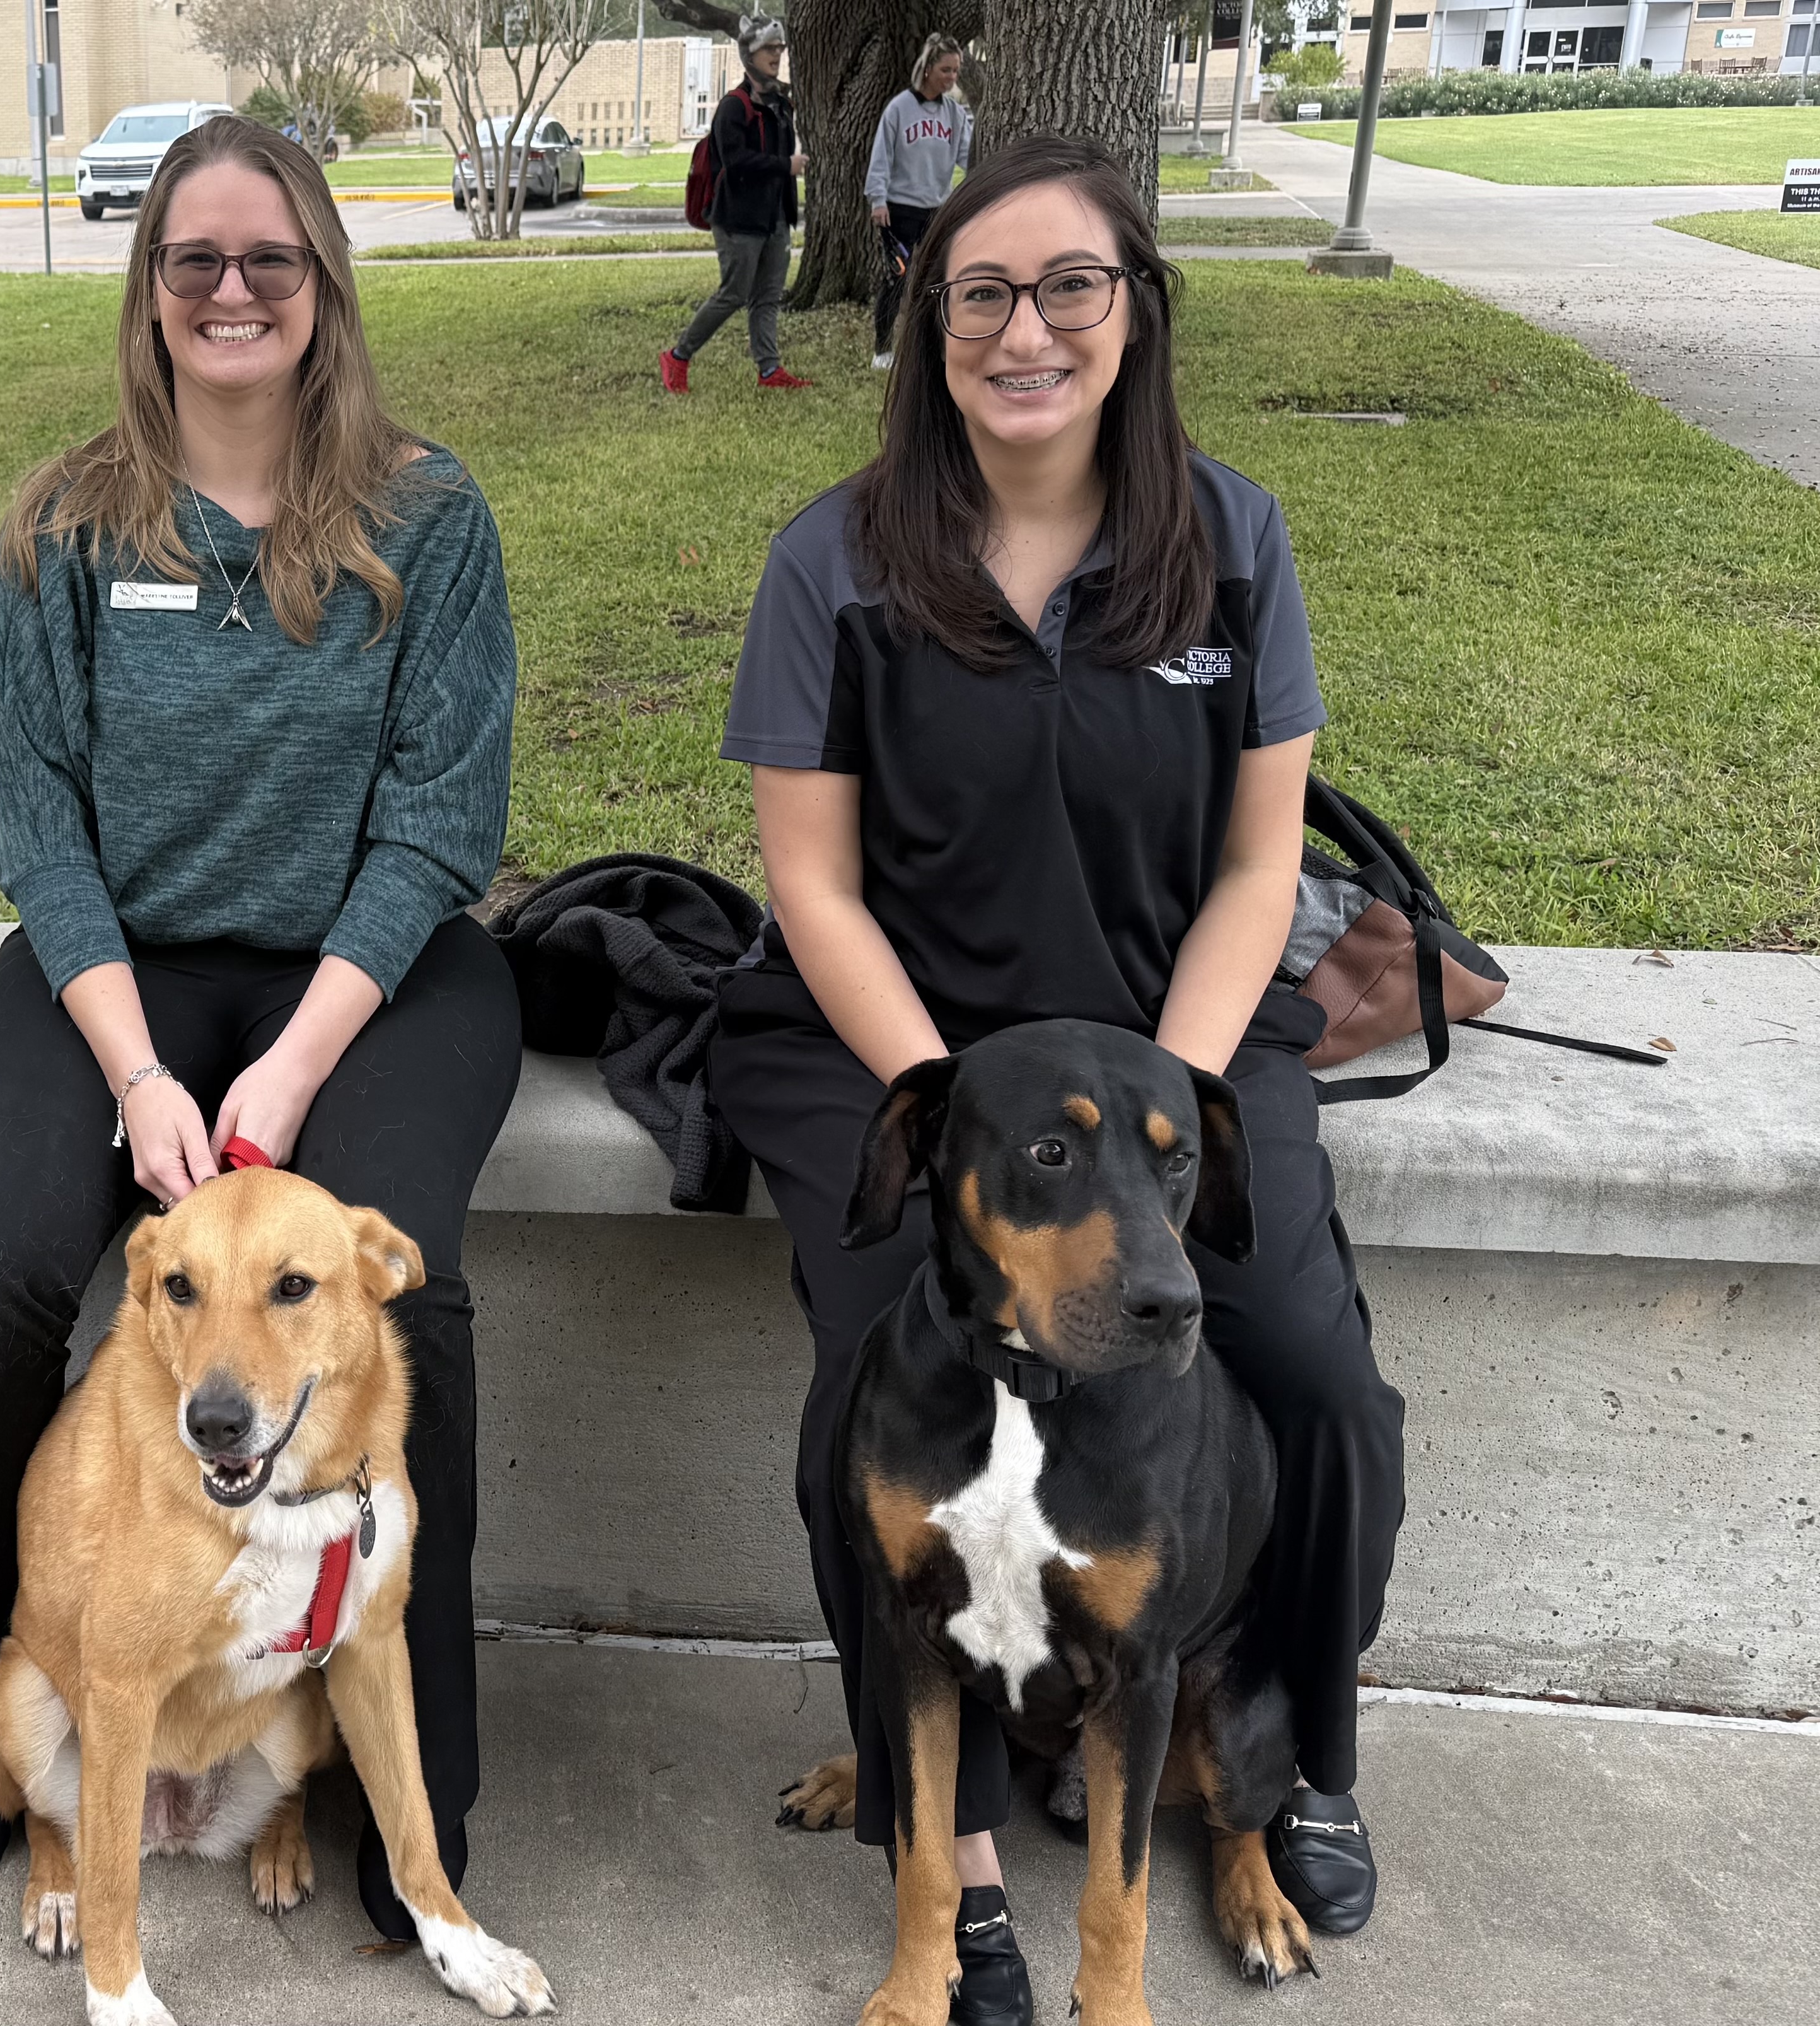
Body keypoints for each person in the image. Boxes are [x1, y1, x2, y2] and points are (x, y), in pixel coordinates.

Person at [707, 137, 1401, 2023]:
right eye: (981, 295)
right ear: (927, 324)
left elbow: (1260, 866)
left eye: (1069, 287)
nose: (1026, 332)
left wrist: (1165, 1122)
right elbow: (811, 886)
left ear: (1134, 312)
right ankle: (954, 1868)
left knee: (1313, 1372)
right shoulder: (833, 560)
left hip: (1174, 1039)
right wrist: (960, 1112)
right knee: (870, 1375)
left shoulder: (1231, 541)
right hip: (899, 1047)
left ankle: (1291, 1755)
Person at [0, 115, 525, 1946]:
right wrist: (142, 1071)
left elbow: (440, 821)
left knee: (408, 1311)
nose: (232, 291)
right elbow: (40, 825)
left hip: (375, 969)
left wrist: (293, 1064)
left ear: (324, 283)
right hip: (118, 966)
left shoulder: (429, 516)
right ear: (150, 288)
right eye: (195, 262)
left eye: (269, 260)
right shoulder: (65, 523)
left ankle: (420, 1795)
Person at [663, 16, 811, 393]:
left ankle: (769, 370)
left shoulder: (781, 104)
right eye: (769, 49)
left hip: (775, 219)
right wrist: (786, 165)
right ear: (749, 54)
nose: (777, 55)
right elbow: (735, 161)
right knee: (734, 294)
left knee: (768, 298)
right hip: (737, 220)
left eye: (779, 49)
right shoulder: (733, 106)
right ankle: (678, 356)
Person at [867, 33, 973, 370]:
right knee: (896, 280)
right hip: (900, 210)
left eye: (956, 71)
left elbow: (969, 157)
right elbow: (881, 157)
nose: (952, 78)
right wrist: (878, 199)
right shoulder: (899, 108)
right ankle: (883, 351)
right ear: (927, 69)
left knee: (938, 279)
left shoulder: (954, 114)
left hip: (936, 210)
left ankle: (933, 346)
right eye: (946, 70)